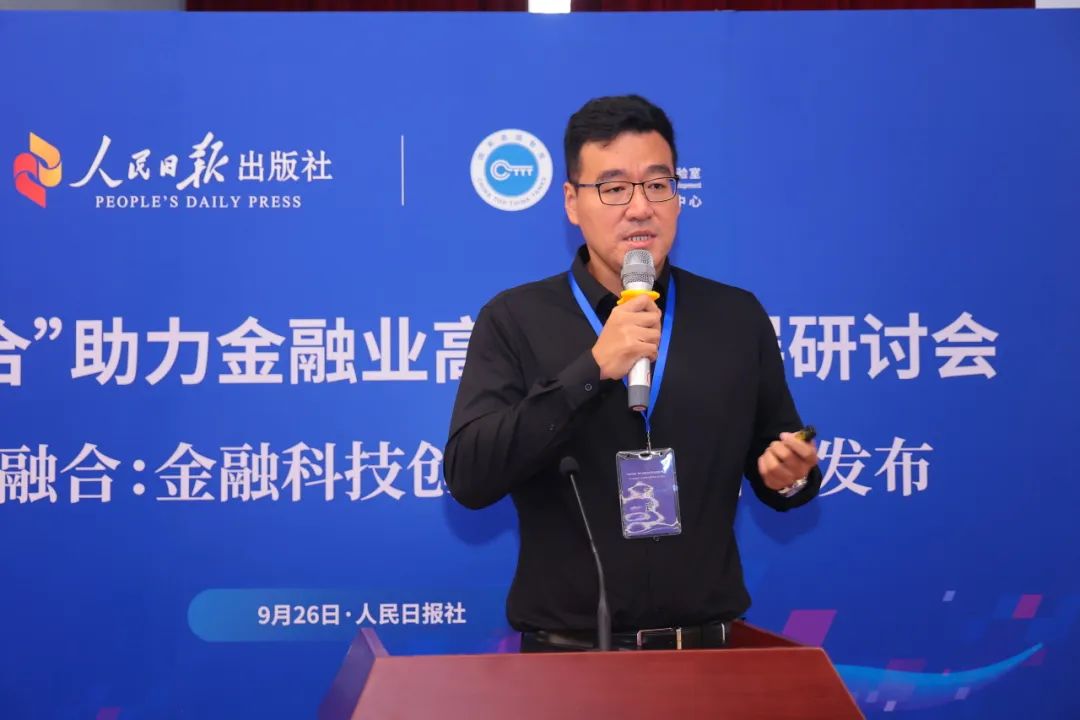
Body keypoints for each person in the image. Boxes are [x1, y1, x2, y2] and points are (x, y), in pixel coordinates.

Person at [443, 94, 822, 653]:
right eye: (614, 188)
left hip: (708, 658)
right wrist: (593, 369)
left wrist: (790, 474)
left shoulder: (735, 317)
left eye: (658, 184)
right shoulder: (515, 319)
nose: (640, 208)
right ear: (572, 202)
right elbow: (470, 477)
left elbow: (784, 469)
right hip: (568, 663)